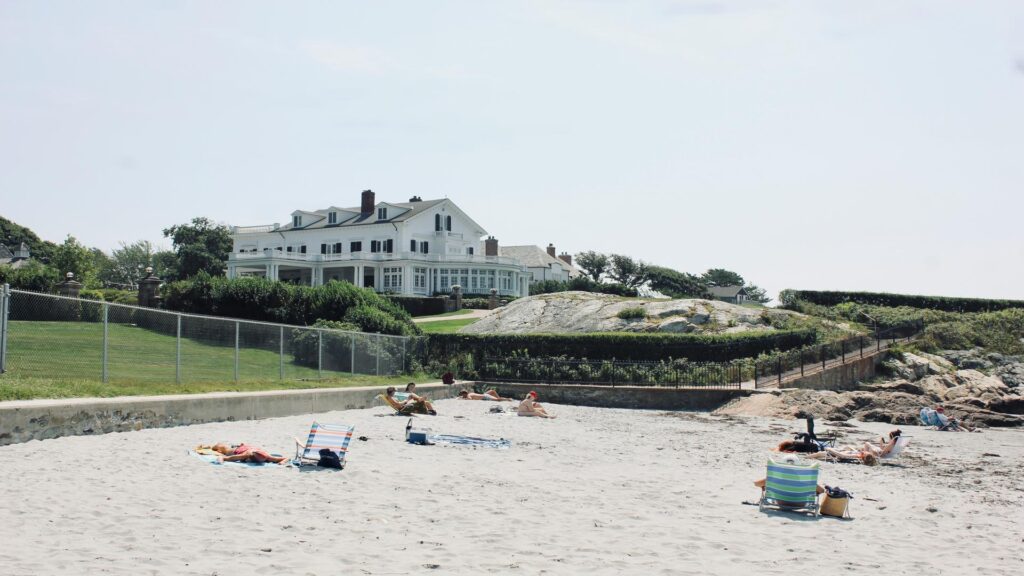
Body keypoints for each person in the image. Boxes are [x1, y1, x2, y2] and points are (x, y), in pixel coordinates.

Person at [199, 443, 290, 465]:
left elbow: (286, 458)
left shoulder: (266, 457)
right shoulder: (247, 454)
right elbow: (228, 458)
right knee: (223, 449)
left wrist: (281, 463)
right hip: (240, 449)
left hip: (249, 447)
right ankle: (210, 446)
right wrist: (221, 460)